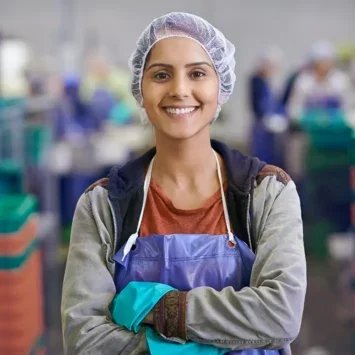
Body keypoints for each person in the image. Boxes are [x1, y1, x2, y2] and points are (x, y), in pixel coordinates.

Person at [61, 12, 306, 355]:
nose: (179, 90)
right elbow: (84, 339)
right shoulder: (103, 205)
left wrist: (157, 308)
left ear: (220, 85)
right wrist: (208, 343)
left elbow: (280, 317)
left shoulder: (267, 193)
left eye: (197, 73)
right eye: (161, 75)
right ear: (140, 89)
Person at [288, 40, 352, 120]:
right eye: (321, 61)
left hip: (336, 125)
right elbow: (294, 108)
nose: (324, 64)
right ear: (314, 62)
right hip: (309, 126)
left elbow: (348, 106)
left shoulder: (340, 80)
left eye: (327, 60)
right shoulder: (304, 81)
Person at [249, 47, 288, 167]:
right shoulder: (256, 80)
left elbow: (281, 102)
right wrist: (265, 118)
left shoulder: (275, 81)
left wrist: (281, 118)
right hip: (261, 126)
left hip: (276, 127)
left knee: (277, 157)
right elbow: (255, 104)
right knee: (261, 157)